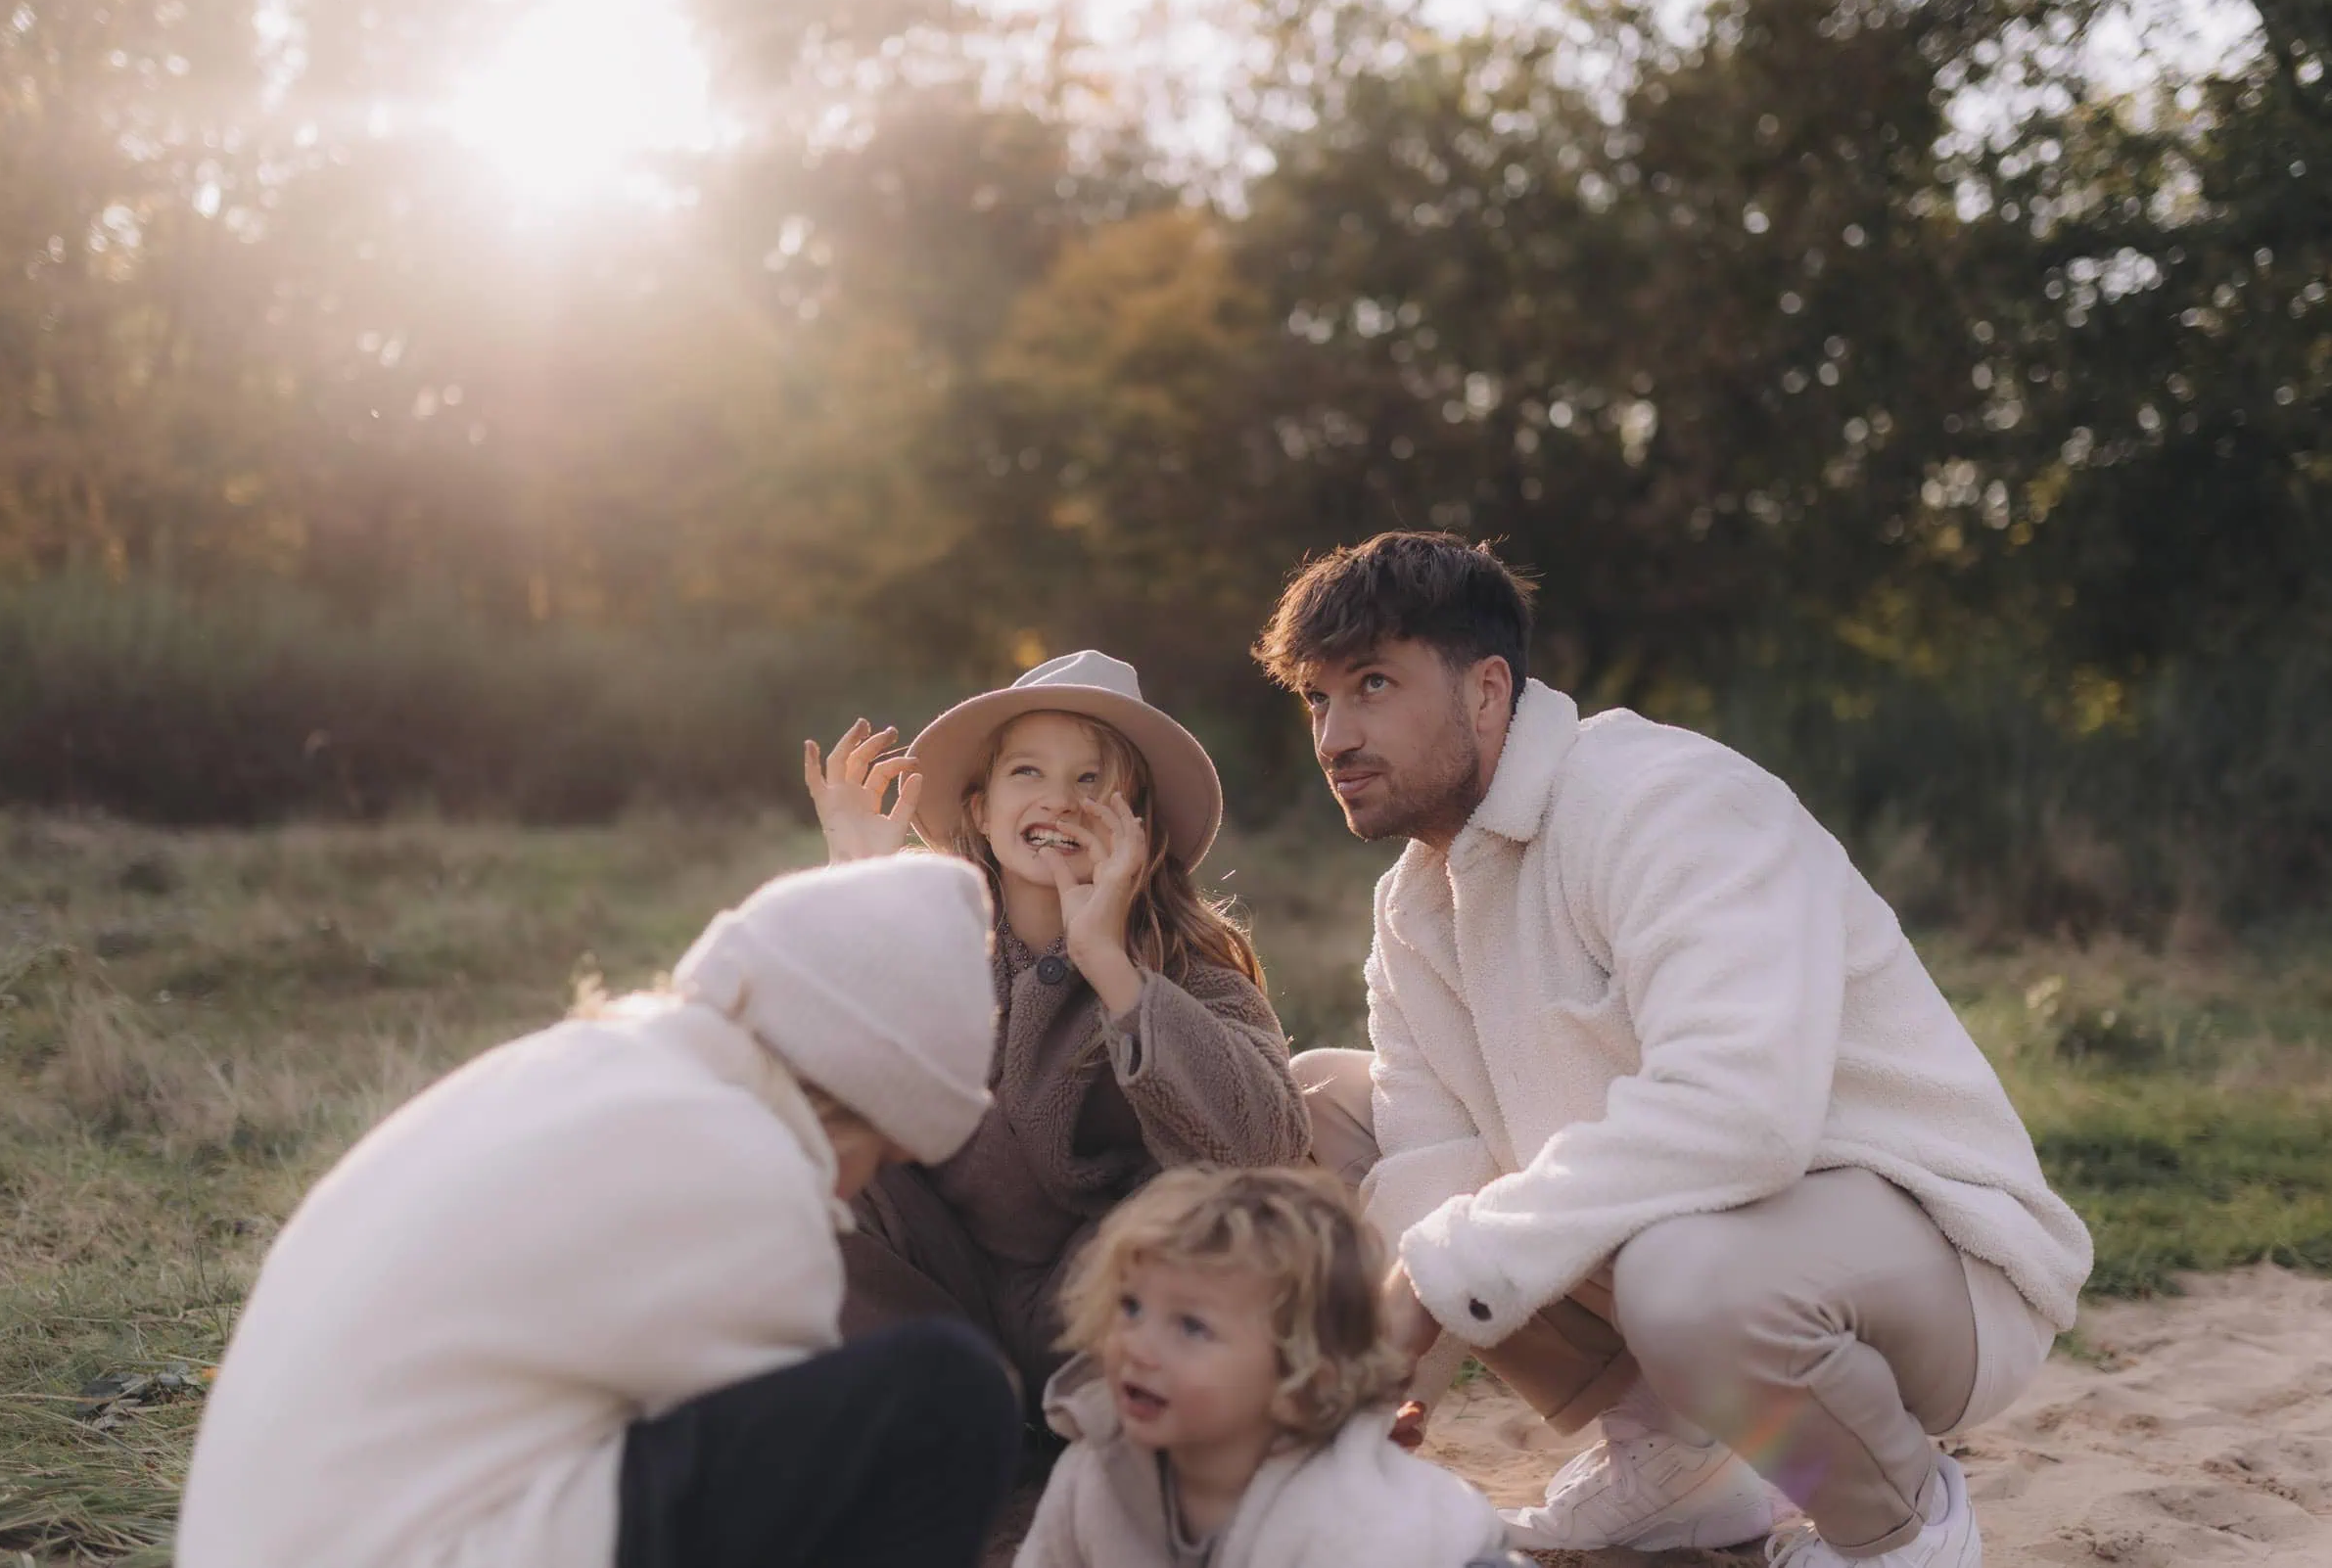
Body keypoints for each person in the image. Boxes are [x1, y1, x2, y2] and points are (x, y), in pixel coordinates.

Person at [1252, 533, 2093, 1568]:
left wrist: (1429, 1285)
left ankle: (1902, 1523)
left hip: (1937, 1260)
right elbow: (1432, 1159)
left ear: (1485, 690)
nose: (1335, 734)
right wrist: (1396, 1368)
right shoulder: (1413, 903)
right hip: (1709, 1243)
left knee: (1686, 1275)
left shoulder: (1666, 799)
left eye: (1372, 684)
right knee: (1313, 1106)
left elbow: (1739, 1114)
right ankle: (1681, 1463)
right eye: (1317, 699)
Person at [177, 854, 1020, 1568]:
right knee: (947, 1396)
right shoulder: (743, 1168)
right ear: (851, 1099)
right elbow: (807, 1508)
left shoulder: (575, 1064)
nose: (850, 1194)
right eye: (876, 1158)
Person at [804, 650, 1312, 1412]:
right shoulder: (928, 937)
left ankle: (1091, 1421)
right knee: (800, 1160)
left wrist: (1108, 963)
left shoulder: (1187, 966)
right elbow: (806, 1080)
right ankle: (942, 1410)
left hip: (1104, 1308)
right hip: (939, 1295)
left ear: (1137, 823)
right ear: (979, 808)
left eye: (1092, 781)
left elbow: (1265, 1142)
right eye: (1028, 773)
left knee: (1214, 1208)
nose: (1062, 802)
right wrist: (859, 889)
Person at [1013, 1165, 1519, 1568]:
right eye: (1131, 1307)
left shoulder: (1345, 1519)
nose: (1139, 1346)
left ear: (1298, 1378)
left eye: (1191, 1327)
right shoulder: (1097, 1468)